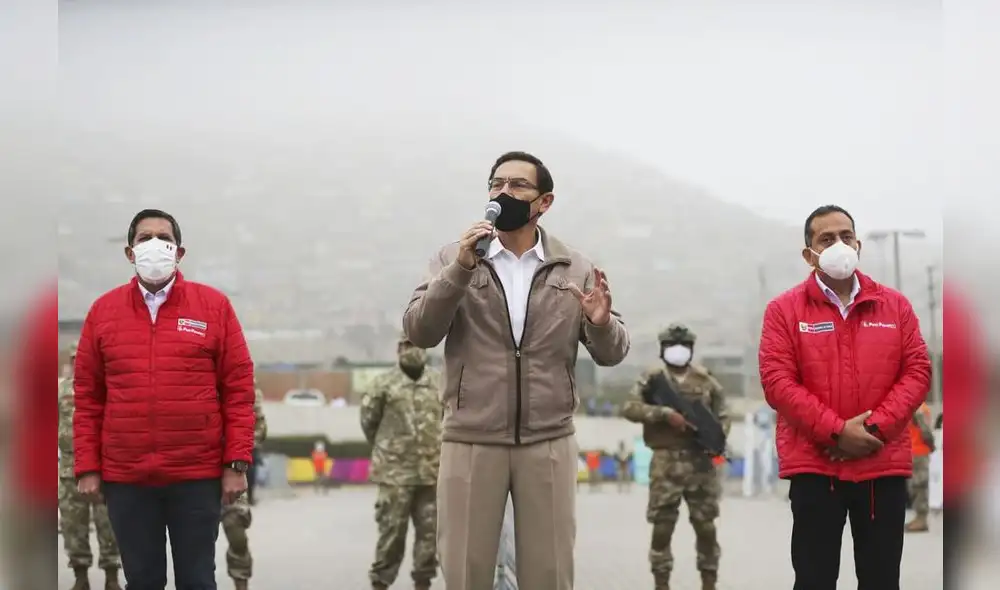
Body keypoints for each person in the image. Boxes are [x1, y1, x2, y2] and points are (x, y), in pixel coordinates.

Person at [403, 151, 630, 590]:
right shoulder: (454, 257)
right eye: (496, 184)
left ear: (544, 202)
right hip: (471, 438)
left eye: (517, 186)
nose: (504, 193)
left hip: (548, 440)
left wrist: (601, 324)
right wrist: (460, 271)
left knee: (549, 574)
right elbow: (420, 330)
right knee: (466, 572)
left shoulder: (574, 268)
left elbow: (612, 353)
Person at [73, 209, 256, 590]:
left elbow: (238, 390)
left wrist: (236, 464)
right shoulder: (103, 312)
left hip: (196, 477)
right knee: (142, 581)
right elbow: (88, 397)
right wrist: (88, 467)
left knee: (197, 581)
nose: (154, 245)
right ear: (129, 252)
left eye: (163, 238)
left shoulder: (213, 307)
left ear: (179, 252)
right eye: (144, 238)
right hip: (128, 479)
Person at [758, 205, 931, 590]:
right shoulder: (783, 311)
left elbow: (918, 371)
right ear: (809, 255)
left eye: (846, 236)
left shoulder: (895, 306)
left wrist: (871, 429)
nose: (840, 245)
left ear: (858, 243)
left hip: (881, 467)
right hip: (816, 471)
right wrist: (836, 432)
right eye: (827, 239)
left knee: (882, 579)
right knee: (814, 579)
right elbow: (776, 381)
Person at [622, 323, 730, 590]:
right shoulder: (652, 380)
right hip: (665, 464)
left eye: (682, 346)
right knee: (662, 527)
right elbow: (630, 408)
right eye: (671, 346)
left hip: (700, 464)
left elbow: (724, 416)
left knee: (706, 527)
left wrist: (714, 438)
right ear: (663, 349)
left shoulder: (706, 381)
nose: (677, 351)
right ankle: (661, 583)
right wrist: (663, 415)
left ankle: (709, 582)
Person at [360, 335, 443, 590]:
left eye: (416, 344)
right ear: (397, 349)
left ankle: (422, 584)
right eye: (406, 345)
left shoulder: (439, 383)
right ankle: (381, 584)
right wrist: (390, 450)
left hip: (432, 472)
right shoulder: (382, 385)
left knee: (430, 538)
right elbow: (368, 423)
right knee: (391, 536)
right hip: (395, 475)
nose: (411, 350)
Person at [59, 342, 122, 590]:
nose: (78, 363)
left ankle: (111, 576)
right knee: (73, 526)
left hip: (104, 470)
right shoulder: (60, 390)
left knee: (110, 526)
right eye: (75, 359)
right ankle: (80, 575)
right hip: (68, 472)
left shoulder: (107, 389)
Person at [221, 381, 268, 589]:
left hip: (233, 466)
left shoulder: (241, 379)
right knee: (192, 537)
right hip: (194, 466)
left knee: (236, 527)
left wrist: (239, 454)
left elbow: (259, 427)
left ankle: (241, 583)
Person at [905, 402, 935, 532]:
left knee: (919, 486)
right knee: (916, 486)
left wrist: (931, 445)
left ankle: (921, 519)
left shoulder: (918, 409)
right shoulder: (920, 407)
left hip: (918, 452)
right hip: (915, 451)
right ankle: (919, 517)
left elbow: (926, 432)